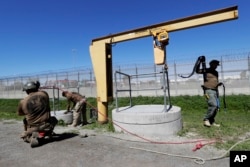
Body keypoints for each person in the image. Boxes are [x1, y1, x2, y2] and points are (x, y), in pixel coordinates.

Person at [17, 81, 58, 147]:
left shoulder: (22, 102)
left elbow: (20, 114)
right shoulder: (44, 94)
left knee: (25, 120)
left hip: (33, 128)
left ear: (27, 91)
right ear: (36, 88)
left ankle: (29, 137)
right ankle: (48, 133)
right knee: (54, 119)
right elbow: (40, 91)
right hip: (47, 125)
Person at [196, 59, 222, 127]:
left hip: (215, 91)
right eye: (215, 64)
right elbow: (197, 71)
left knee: (216, 108)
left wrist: (218, 84)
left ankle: (211, 121)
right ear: (211, 64)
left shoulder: (216, 72)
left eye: (217, 65)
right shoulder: (206, 70)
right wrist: (199, 62)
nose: (216, 66)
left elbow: (214, 81)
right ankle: (206, 119)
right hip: (208, 91)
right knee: (213, 105)